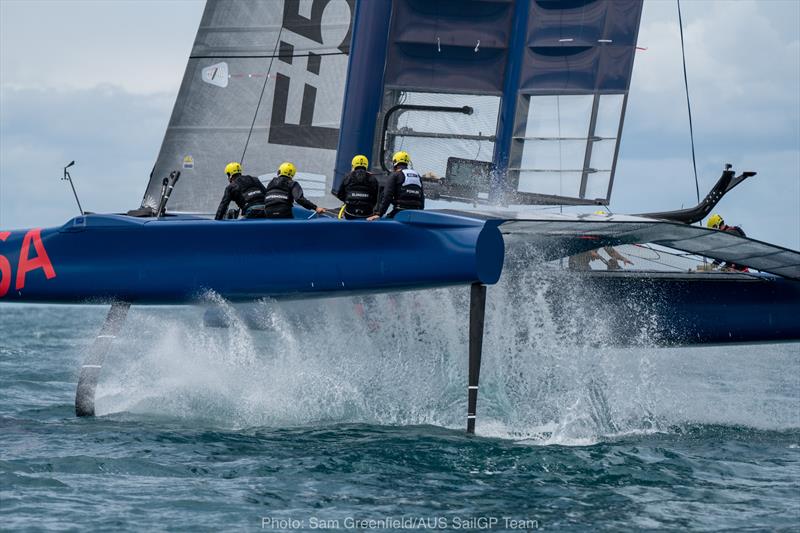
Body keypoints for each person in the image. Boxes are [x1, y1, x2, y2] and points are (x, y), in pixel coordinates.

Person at [367, 151, 424, 220]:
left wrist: (379, 213)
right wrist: (420, 214)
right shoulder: (418, 175)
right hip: (416, 212)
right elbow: (422, 198)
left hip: (400, 211)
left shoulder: (395, 175)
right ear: (407, 163)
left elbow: (387, 195)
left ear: (395, 162)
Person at [336, 155, 380, 220]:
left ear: (353, 165)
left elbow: (340, 195)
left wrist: (348, 201)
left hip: (350, 213)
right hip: (367, 214)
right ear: (366, 165)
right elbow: (376, 198)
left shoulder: (347, 177)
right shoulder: (373, 179)